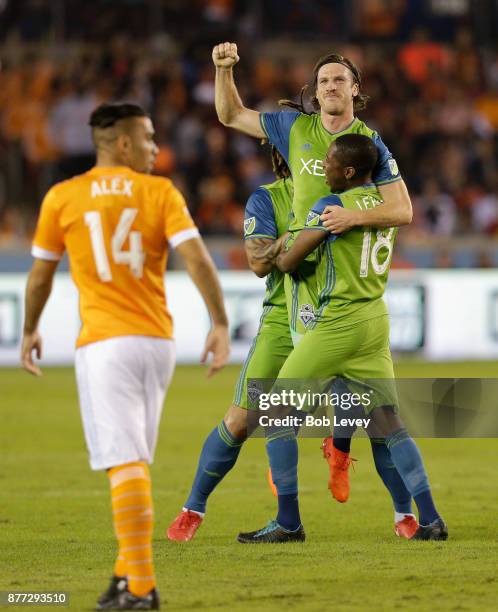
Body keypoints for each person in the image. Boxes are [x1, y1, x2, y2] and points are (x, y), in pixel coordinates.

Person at [21, 103, 230, 611]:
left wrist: (29, 329)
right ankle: (124, 578)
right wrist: (220, 321)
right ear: (122, 144)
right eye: (150, 138)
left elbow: (42, 275)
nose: (158, 147)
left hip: (106, 344)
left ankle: (141, 587)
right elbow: (197, 258)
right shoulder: (159, 192)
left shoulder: (63, 197)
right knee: (133, 458)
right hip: (157, 343)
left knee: (124, 461)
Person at [212, 40, 412, 501]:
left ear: (355, 89)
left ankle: (346, 466)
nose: (331, 86)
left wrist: (350, 216)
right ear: (315, 92)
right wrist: (224, 70)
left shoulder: (369, 143)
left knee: (361, 405)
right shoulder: (292, 127)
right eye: (323, 81)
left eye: (339, 79)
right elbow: (230, 115)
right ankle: (314, 478)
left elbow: (402, 208)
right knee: (275, 405)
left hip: (342, 284)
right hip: (296, 283)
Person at [236, 134, 447, 543]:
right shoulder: (387, 208)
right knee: (390, 425)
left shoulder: (330, 206)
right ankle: (431, 519)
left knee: (276, 415)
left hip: (338, 322)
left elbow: (288, 259)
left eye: (328, 162)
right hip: (374, 320)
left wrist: (287, 243)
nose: (321, 168)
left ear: (347, 171)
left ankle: (288, 523)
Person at [166, 146, 295, 542]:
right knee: (240, 421)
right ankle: (193, 507)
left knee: (375, 414)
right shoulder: (268, 199)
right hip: (283, 322)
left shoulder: (347, 191)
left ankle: (412, 516)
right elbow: (258, 263)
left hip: (337, 320)